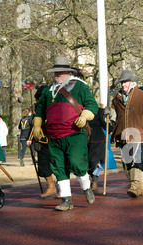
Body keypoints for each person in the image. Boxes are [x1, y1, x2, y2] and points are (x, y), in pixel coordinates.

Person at [32, 56, 98, 211]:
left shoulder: (80, 87)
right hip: (54, 136)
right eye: (55, 72)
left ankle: (86, 187)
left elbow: (92, 105)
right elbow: (40, 110)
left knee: (76, 163)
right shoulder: (48, 91)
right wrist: (37, 125)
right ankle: (66, 199)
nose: (57, 75)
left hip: (74, 133)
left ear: (68, 71)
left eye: (60, 72)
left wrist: (84, 116)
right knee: (58, 167)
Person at [110, 69, 143, 197]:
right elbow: (113, 114)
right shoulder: (117, 98)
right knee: (127, 162)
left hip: (139, 132)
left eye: (126, 82)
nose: (123, 85)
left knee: (134, 159)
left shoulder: (142, 96)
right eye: (122, 83)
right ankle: (139, 187)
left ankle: (134, 185)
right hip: (123, 134)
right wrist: (108, 114)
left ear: (132, 82)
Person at [26, 83, 59, 199]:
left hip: (56, 139)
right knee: (43, 166)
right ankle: (51, 187)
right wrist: (29, 138)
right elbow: (34, 124)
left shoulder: (56, 105)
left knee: (59, 165)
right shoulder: (37, 108)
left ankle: (63, 188)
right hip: (42, 140)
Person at [87, 107, 114, 191]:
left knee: (95, 162)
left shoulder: (99, 111)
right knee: (87, 164)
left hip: (97, 140)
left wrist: (109, 119)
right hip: (84, 141)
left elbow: (108, 128)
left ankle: (94, 181)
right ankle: (91, 179)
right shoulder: (78, 110)